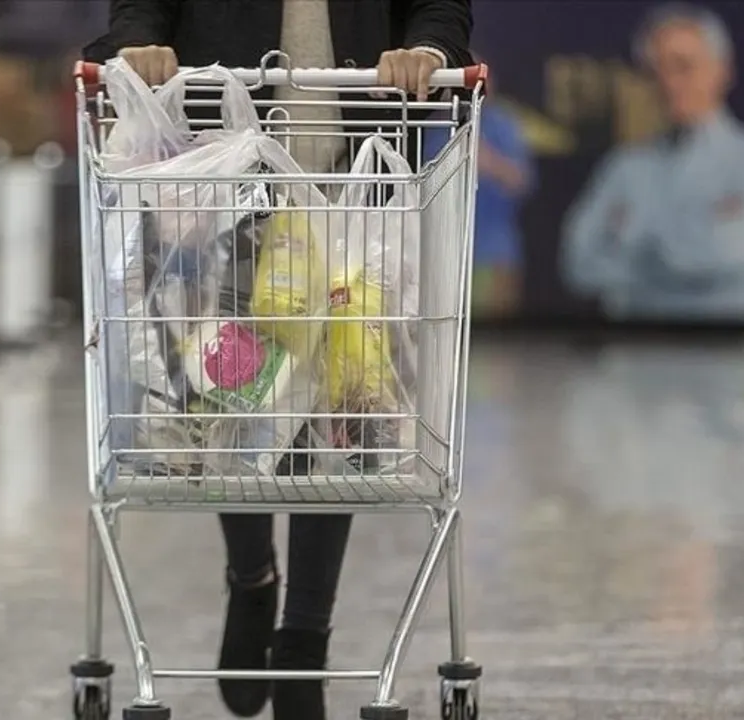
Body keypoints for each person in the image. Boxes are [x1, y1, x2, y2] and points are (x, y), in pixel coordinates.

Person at [84, 3, 472, 720]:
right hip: (220, 173)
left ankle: (304, 638)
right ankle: (252, 573)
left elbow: (436, 4)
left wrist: (426, 46)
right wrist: (139, 45)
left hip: (354, 165)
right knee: (228, 386)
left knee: (342, 405)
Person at [560, 3, 744, 321]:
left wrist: (631, 239)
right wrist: (695, 234)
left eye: (683, 66)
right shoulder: (624, 166)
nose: (669, 83)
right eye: (656, 71)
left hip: (724, 353)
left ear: (722, 69)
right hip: (631, 354)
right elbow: (579, 263)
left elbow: (734, 253)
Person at [424, 59, 534, 315]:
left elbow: (523, 182)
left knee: (494, 344)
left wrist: (490, 162)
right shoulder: (436, 126)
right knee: (441, 336)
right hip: (439, 253)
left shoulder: (504, 126)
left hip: (493, 255)